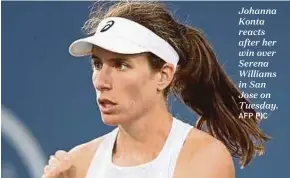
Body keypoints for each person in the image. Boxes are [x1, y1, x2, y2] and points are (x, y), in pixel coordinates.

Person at [42, 1, 270, 178]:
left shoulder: (203, 159)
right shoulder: (79, 163)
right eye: (97, 64)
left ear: (163, 75)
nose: (101, 81)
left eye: (121, 65)